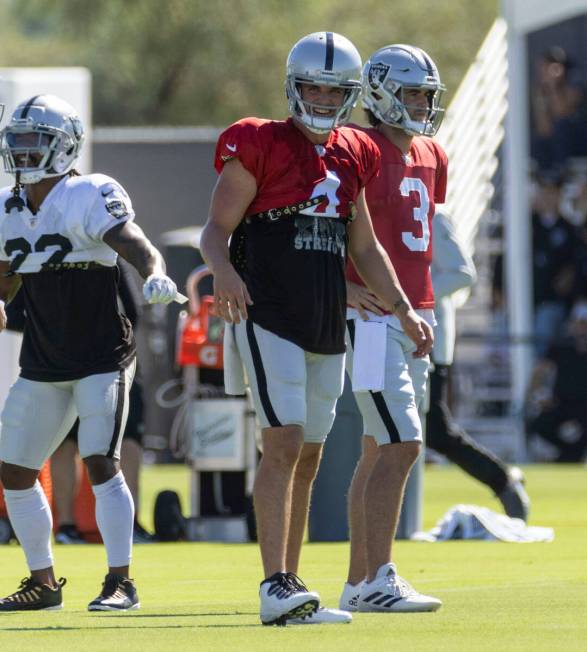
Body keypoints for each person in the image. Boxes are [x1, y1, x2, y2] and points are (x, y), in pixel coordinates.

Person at [200, 32, 433, 626]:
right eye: (313, 88)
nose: (324, 99)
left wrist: (403, 307)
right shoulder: (258, 142)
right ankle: (274, 583)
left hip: (325, 319)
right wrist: (223, 273)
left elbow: (367, 245)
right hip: (269, 311)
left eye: (335, 91)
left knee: (308, 453)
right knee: (281, 443)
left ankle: (293, 586)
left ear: (352, 95)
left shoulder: (354, 152)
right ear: (292, 86)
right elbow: (214, 230)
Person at [0, 94, 179, 611]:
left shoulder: (91, 192)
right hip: (44, 356)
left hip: (103, 354)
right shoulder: (11, 207)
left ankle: (121, 581)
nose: (25, 151)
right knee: (14, 470)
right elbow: (8, 273)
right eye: (19, 141)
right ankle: (43, 582)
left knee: (101, 460)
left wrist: (156, 273)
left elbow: (134, 241)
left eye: (37, 141)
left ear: (65, 146)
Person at [339, 44, 447, 614]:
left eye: (427, 95)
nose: (422, 105)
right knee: (402, 444)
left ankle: (359, 583)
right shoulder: (357, 147)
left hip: (417, 313)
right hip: (375, 318)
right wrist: (339, 285)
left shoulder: (433, 152)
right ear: (380, 94)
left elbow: (422, 236)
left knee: (378, 448)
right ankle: (380, 576)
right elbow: (323, 224)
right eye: (411, 94)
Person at [426, 212, 530, 520]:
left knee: (435, 432)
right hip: (391, 337)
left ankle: (502, 480)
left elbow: (462, 273)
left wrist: (407, 297)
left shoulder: (435, 218)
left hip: (428, 340)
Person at [50, 260, 154, 545]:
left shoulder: (111, 257)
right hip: (96, 357)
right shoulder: (106, 256)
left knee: (124, 439)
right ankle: (76, 525)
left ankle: (73, 526)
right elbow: (133, 310)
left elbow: (132, 309)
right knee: (69, 442)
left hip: (100, 357)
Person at [526, 299, 587, 462]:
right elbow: (540, 371)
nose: (583, 328)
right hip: (561, 402)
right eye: (580, 323)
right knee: (539, 425)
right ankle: (570, 454)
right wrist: (537, 396)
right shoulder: (561, 345)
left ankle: (571, 455)